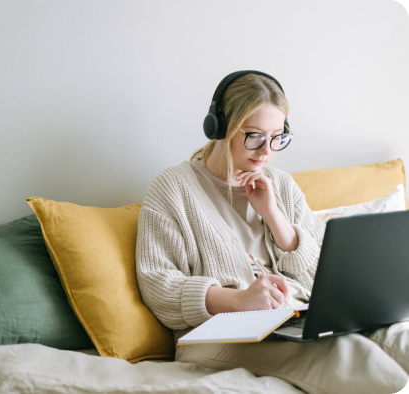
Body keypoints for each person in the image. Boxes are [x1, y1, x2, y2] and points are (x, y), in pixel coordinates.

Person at [135, 71, 409, 394]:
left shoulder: (280, 184)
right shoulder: (172, 189)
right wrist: (239, 300)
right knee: (353, 358)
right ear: (221, 128)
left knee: (399, 338)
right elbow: (158, 286)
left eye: (277, 137)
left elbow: (326, 270)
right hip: (217, 335)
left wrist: (275, 217)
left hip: (298, 319)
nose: (266, 151)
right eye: (254, 136)